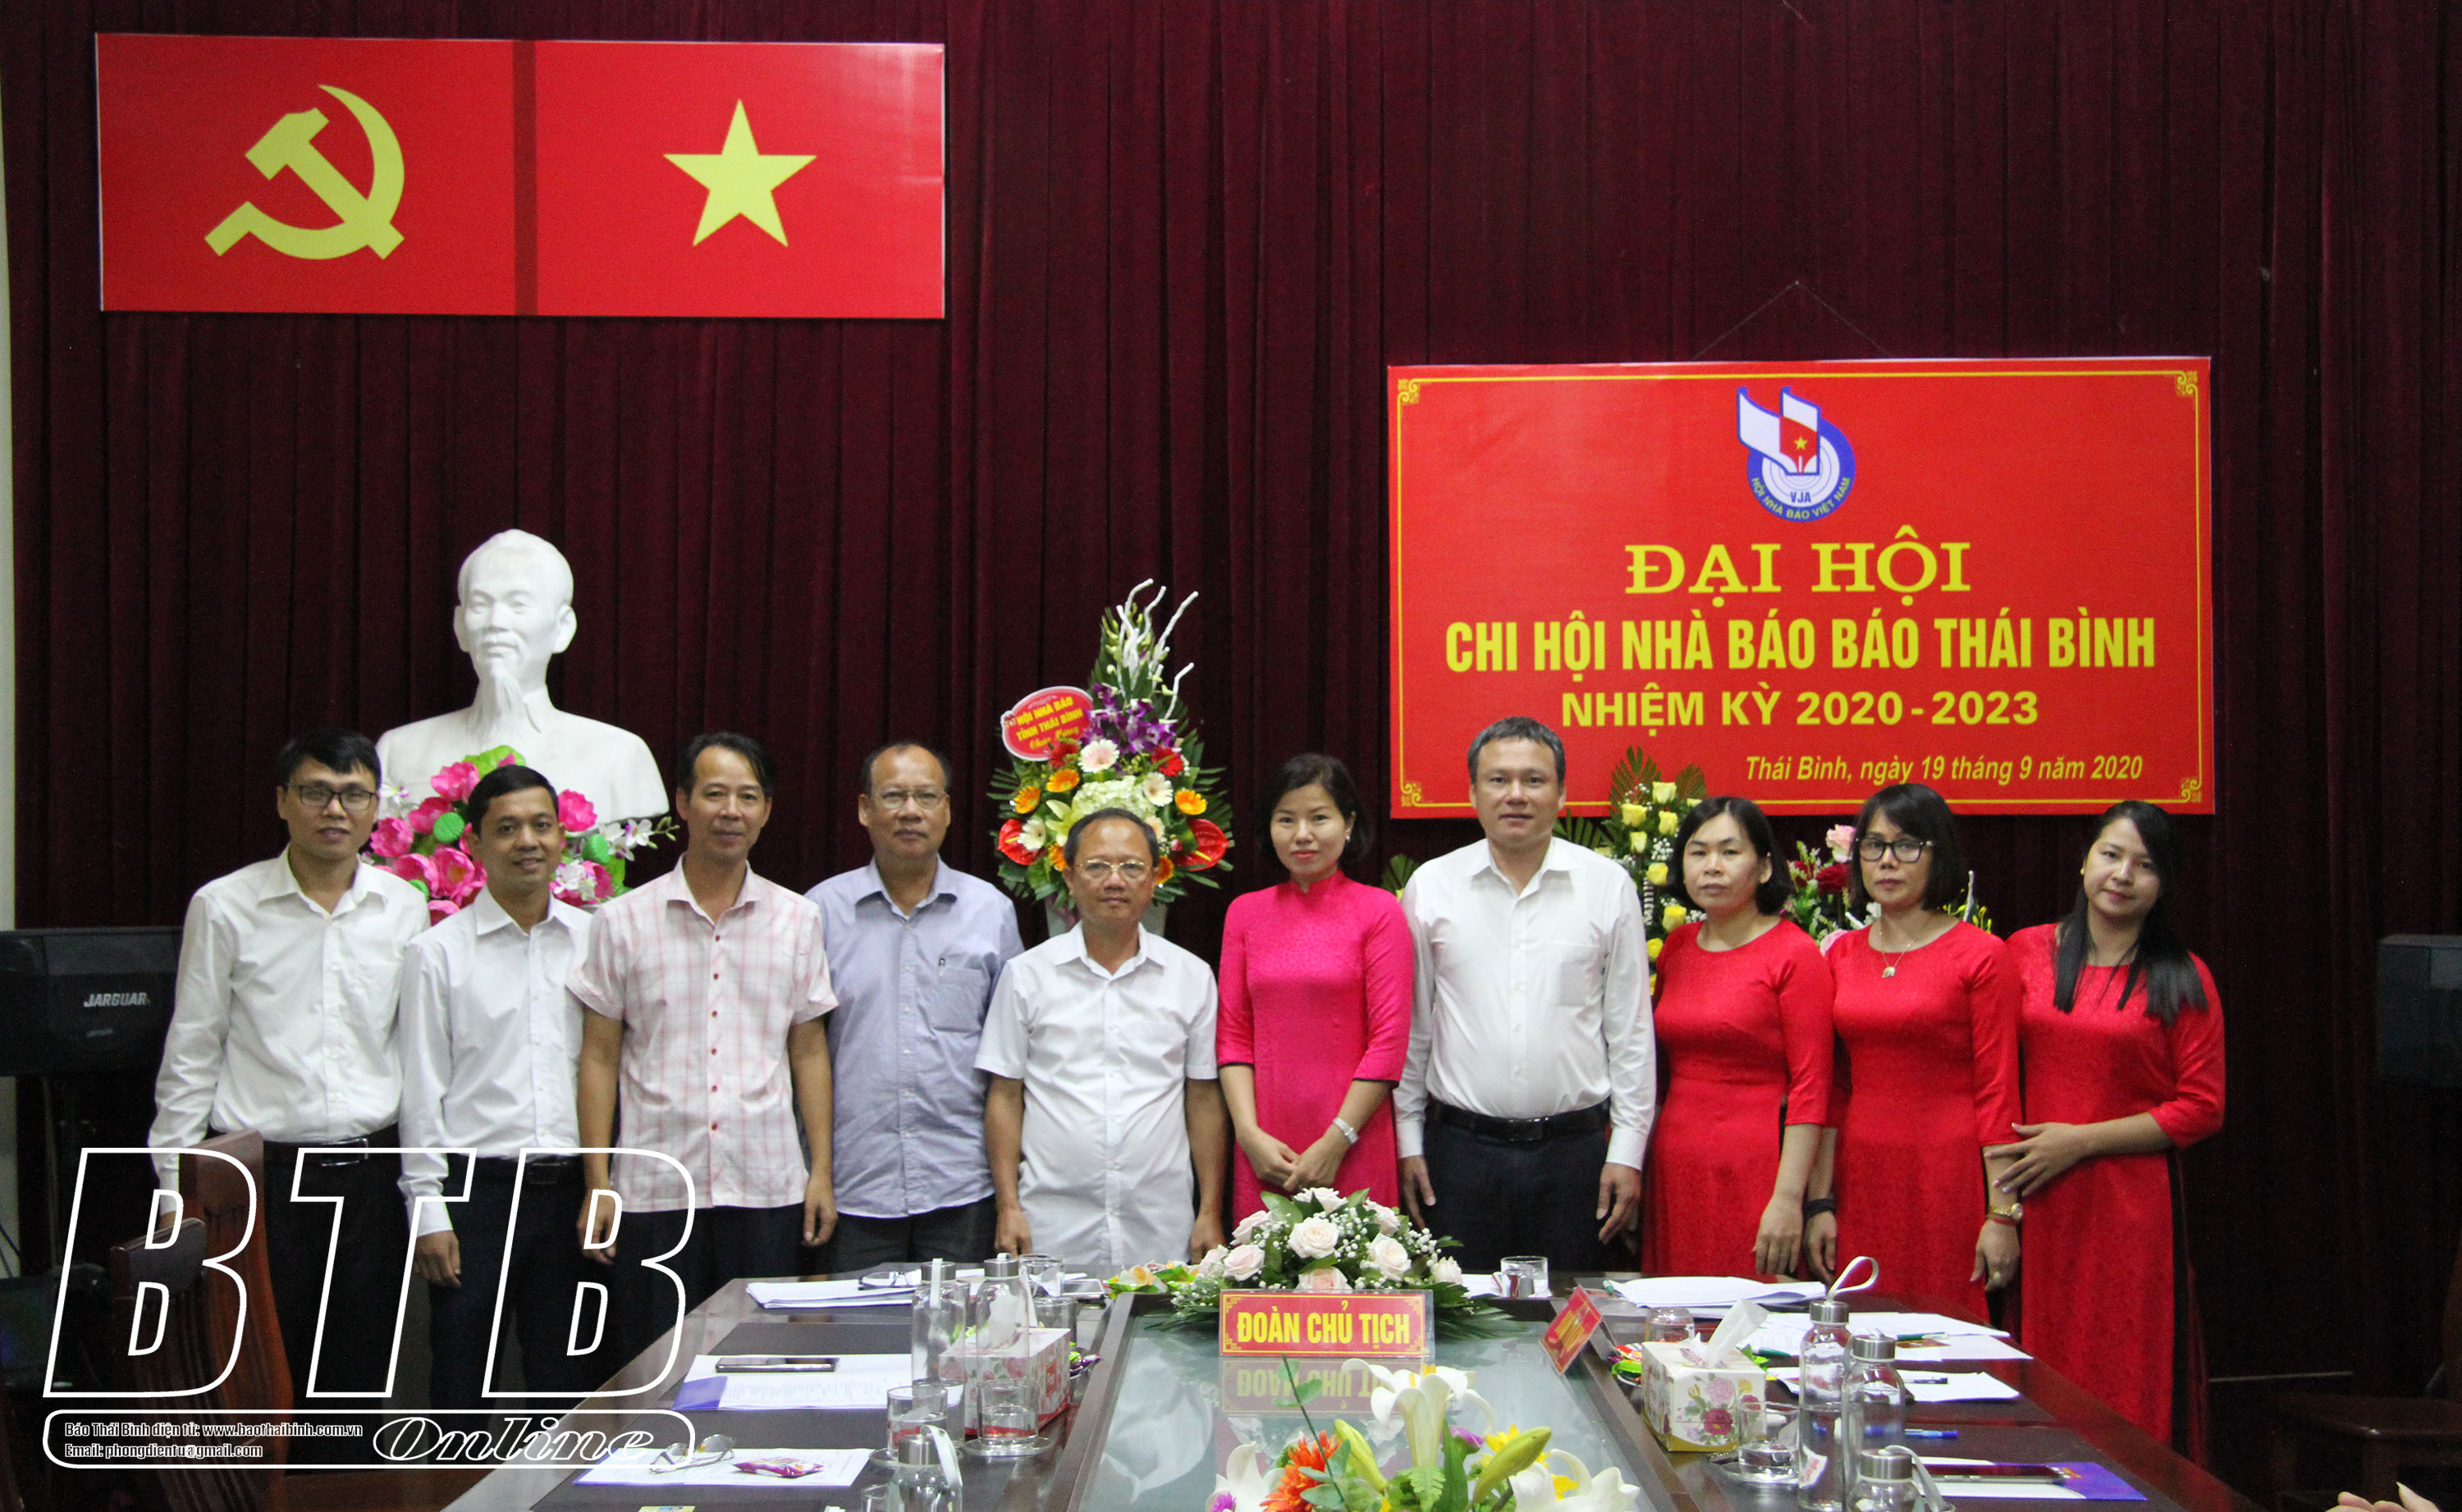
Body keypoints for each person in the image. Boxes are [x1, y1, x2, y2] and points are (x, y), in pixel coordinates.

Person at [148, 729, 428, 1399]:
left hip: (370, 1180)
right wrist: (174, 1189)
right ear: (281, 801)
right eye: (316, 792)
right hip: (261, 1181)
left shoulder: (404, 906)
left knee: (359, 1379)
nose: (335, 810)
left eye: (353, 794)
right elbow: (192, 1051)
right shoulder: (225, 905)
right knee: (261, 1379)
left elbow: (416, 1053)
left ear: (375, 807)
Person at [572, 733, 837, 1365]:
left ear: (766, 810)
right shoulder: (621, 920)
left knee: (761, 1366)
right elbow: (599, 1057)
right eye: (715, 793)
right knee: (655, 1367)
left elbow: (808, 1051)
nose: (731, 811)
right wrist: (598, 1182)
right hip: (655, 1190)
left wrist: (821, 1171)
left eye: (748, 796)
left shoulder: (797, 918)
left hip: (766, 1185)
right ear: (683, 802)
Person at [1394, 715, 1654, 1273]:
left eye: (1534, 780)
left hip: (1575, 1156)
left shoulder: (1606, 886)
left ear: (1562, 794)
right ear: (1473, 793)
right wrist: (1408, 1141)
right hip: (1459, 1155)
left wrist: (1628, 1151)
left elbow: (1630, 1031)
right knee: (1462, 1315)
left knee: (1573, 1312)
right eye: (1498, 779)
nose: (1516, 794)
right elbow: (1413, 1029)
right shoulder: (1431, 887)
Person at [2001, 801, 2224, 1452]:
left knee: (2129, 1365)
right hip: (2036, 1197)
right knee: (2041, 1367)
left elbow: (2203, 1106)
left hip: (2132, 1209)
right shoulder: (2026, 951)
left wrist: (2080, 1140)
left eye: (2145, 865)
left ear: (2164, 883)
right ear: (2084, 860)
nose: (2123, 875)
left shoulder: (2183, 976)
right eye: (2111, 854)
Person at [397, 763, 599, 1409]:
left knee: (568, 1385)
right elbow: (421, 1088)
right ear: (475, 844)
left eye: (541, 825)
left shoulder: (594, 941)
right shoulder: (437, 953)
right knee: (461, 1379)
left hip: (571, 1193)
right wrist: (428, 1208)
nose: (527, 841)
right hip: (475, 1195)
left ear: (562, 838)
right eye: (507, 828)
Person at [978, 808, 1228, 1275]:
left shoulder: (1191, 977)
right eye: (1097, 866)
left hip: (1160, 1222)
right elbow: (1005, 1095)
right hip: (1050, 1224)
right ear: (1069, 878)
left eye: (1131, 867)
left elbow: (1203, 1098)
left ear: (1155, 877)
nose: (1115, 880)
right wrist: (1007, 1206)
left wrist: (1209, 1210)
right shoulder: (1027, 975)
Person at [808, 742, 1022, 1270]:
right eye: (893, 796)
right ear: (864, 809)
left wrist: (1009, 1195)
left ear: (947, 810)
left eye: (926, 797)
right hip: (854, 1186)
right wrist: (817, 1172)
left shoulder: (990, 912)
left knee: (963, 1324)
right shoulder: (820, 912)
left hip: (963, 1185)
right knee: (854, 1324)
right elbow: (802, 1051)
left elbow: (1011, 1061)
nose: (910, 811)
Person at [1823, 782, 2022, 1318]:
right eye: (1874, 845)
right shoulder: (1840, 954)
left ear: (1940, 855)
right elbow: (1833, 1087)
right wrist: (1820, 1202)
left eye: (1907, 845)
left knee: (1945, 1333)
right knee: (1862, 1327)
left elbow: (2000, 1090)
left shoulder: (1982, 955)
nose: (1887, 860)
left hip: (1946, 1174)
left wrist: (2002, 1214)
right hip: (1862, 1174)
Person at [1641, 796, 1835, 1280]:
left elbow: (1812, 1087)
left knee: (1749, 1308)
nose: (1713, 866)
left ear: (1764, 867)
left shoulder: (1794, 953)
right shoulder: (1678, 946)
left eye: (1730, 852)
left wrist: (1789, 1198)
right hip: (1676, 1161)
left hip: (1755, 1164)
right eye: (1698, 852)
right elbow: (1659, 1073)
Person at [1217, 754, 1412, 1217]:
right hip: (1266, 1150)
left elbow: (1388, 1043)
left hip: (1353, 1139)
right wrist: (1248, 1135)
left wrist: (1337, 1140)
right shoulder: (1244, 913)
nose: (1302, 834)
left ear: (1348, 825)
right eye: (1286, 819)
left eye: (1319, 818)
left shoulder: (1379, 911)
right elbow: (1233, 1037)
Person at [378, 529, 667, 820]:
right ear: (460, 627)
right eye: (480, 605)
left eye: (518, 605)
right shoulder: (399, 752)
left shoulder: (620, 756)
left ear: (562, 628)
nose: (495, 622)